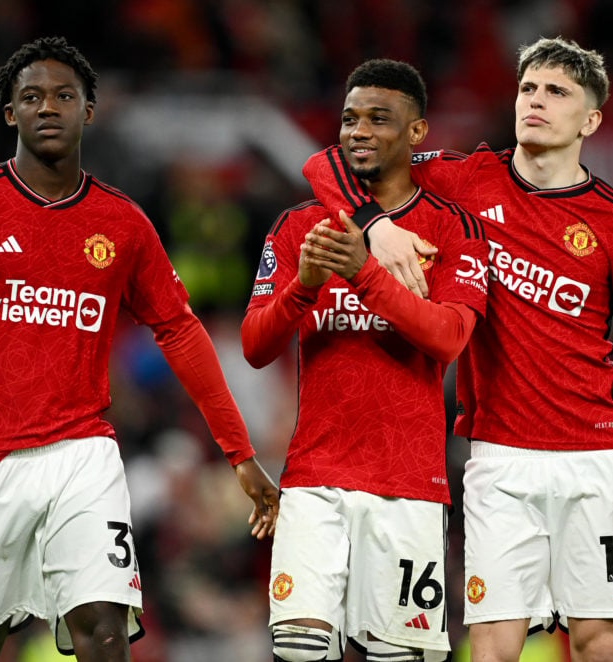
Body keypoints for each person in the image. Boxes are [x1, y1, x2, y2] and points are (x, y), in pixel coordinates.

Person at [0, 36, 279, 662]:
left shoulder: (123, 223)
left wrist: (239, 452)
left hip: (84, 455)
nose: (49, 107)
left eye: (64, 96)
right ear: (10, 113)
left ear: (89, 111)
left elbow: (179, 330)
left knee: (103, 629)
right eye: (32, 96)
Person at [302, 37, 613, 662]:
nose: (536, 101)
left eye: (556, 92)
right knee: (494, 647)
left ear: (590, 120)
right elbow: (328, 162)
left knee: (595, 645)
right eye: (528, 88)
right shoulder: (463, 177)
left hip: (597, 460)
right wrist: (376, 223)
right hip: (498, 459)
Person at [242, 59, 489, 662]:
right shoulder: (300, 225)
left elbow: (450, 339)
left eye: (380, 118)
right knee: (299, 651)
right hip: (315, 477)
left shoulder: (453, 230)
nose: (359, 131)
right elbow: (254, 345)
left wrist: (365, 274)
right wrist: (302, 286)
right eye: (350, 118)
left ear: (416, 132)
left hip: (409, 484)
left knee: (400, 657)